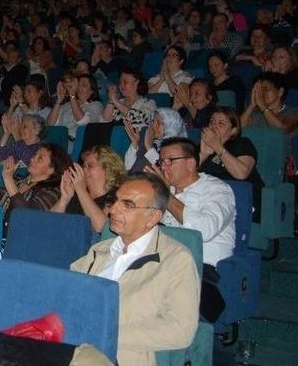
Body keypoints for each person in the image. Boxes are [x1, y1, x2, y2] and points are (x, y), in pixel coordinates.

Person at [71, 174, 199, 366]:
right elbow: (68, 291)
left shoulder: (175, 259)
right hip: (71, 339)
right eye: (115, 201)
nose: (113, 209)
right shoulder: (100, 250)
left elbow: (180, 330)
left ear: (153, 217)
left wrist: (107, 334)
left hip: (117, 354)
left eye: (127, 205)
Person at [145, 138, 235, 322]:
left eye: (170, 161)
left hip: (202, 270)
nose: (164, 166)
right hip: (161, 262)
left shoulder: (217, 190)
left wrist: (166, 196)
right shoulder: (163, 190)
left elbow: (203, 231)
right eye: (162, 161)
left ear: (191, 163)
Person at [199, 107, 264, 222]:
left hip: (240, 200)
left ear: (233, 130)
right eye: (212, 121)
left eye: (221, 123)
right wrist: (203, 155)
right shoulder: (205, 147)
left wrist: (218, 147)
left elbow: (241, 174)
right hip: (210, 201)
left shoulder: (242, 144)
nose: (214, 126)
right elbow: (188, 179)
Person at [0, 143, 71, 215]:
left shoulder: (52, 192)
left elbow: (28, 216)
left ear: (52, 169)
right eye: (35, 155)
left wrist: (8, 180)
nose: (32, 159)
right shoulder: (19, 179)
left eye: (39, 158)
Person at [56, 145, 125, 232]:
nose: (84, 170)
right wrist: (64, 198)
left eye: (90, 166)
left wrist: (81, 190)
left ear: (108, 169)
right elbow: (47, 222)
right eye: (84, 166)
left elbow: (102, 228)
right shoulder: (77, 195)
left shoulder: (117, 197)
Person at [240, 72, 298, 162]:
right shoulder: (255, 112)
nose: (262, 93)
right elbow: (238, 129)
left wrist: (262, 105)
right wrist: (252, 105)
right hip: (254, 158)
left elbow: (282, 129)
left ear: (280, 92)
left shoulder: (293, 112)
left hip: (279, 160)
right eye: (260, 90)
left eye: (266, 89)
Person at [123, 108, 187, 172]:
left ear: (170, 128)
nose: (153, 125)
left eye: (158, 123)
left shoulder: (176, 149)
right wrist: (134, 144)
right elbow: (127, 167)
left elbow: (165, 171)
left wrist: (149, 147)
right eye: (153, 121)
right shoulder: (145, 135)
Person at [47, 73, 104, 145]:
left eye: (84, 85)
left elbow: (83, 122)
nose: (79, 87)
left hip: (75, 142)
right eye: (78, 85)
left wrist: (72, 96)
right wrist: (59, 99)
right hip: (58, 139)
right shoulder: (67, 105)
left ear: (91, 91)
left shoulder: (96, 105)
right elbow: (50, 124)